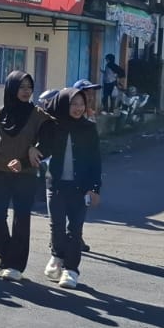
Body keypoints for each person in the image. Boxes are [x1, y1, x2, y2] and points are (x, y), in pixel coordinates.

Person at [0, 71, 48, 281]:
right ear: (12, 89)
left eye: (29, 87)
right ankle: (4, 254)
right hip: (1, 171)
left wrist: (35, 149)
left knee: (21, 218)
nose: (26, 91)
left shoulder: (38, 115)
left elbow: (51, 139)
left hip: (25, 173)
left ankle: (16, 265)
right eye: (21, 87)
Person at [37, 83, 101, 289]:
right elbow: (42, 148)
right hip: (55, 185)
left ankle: (71, 270)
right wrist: (30, 151)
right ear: (65, 104)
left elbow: (95, 160)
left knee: (75, 229)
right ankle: (57, 255)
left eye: (81, 104)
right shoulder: (53, 127)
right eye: (73, 103)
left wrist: (95, 188)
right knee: (56, 226)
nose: (78, 108)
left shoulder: (89, 128)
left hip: (80, 188)